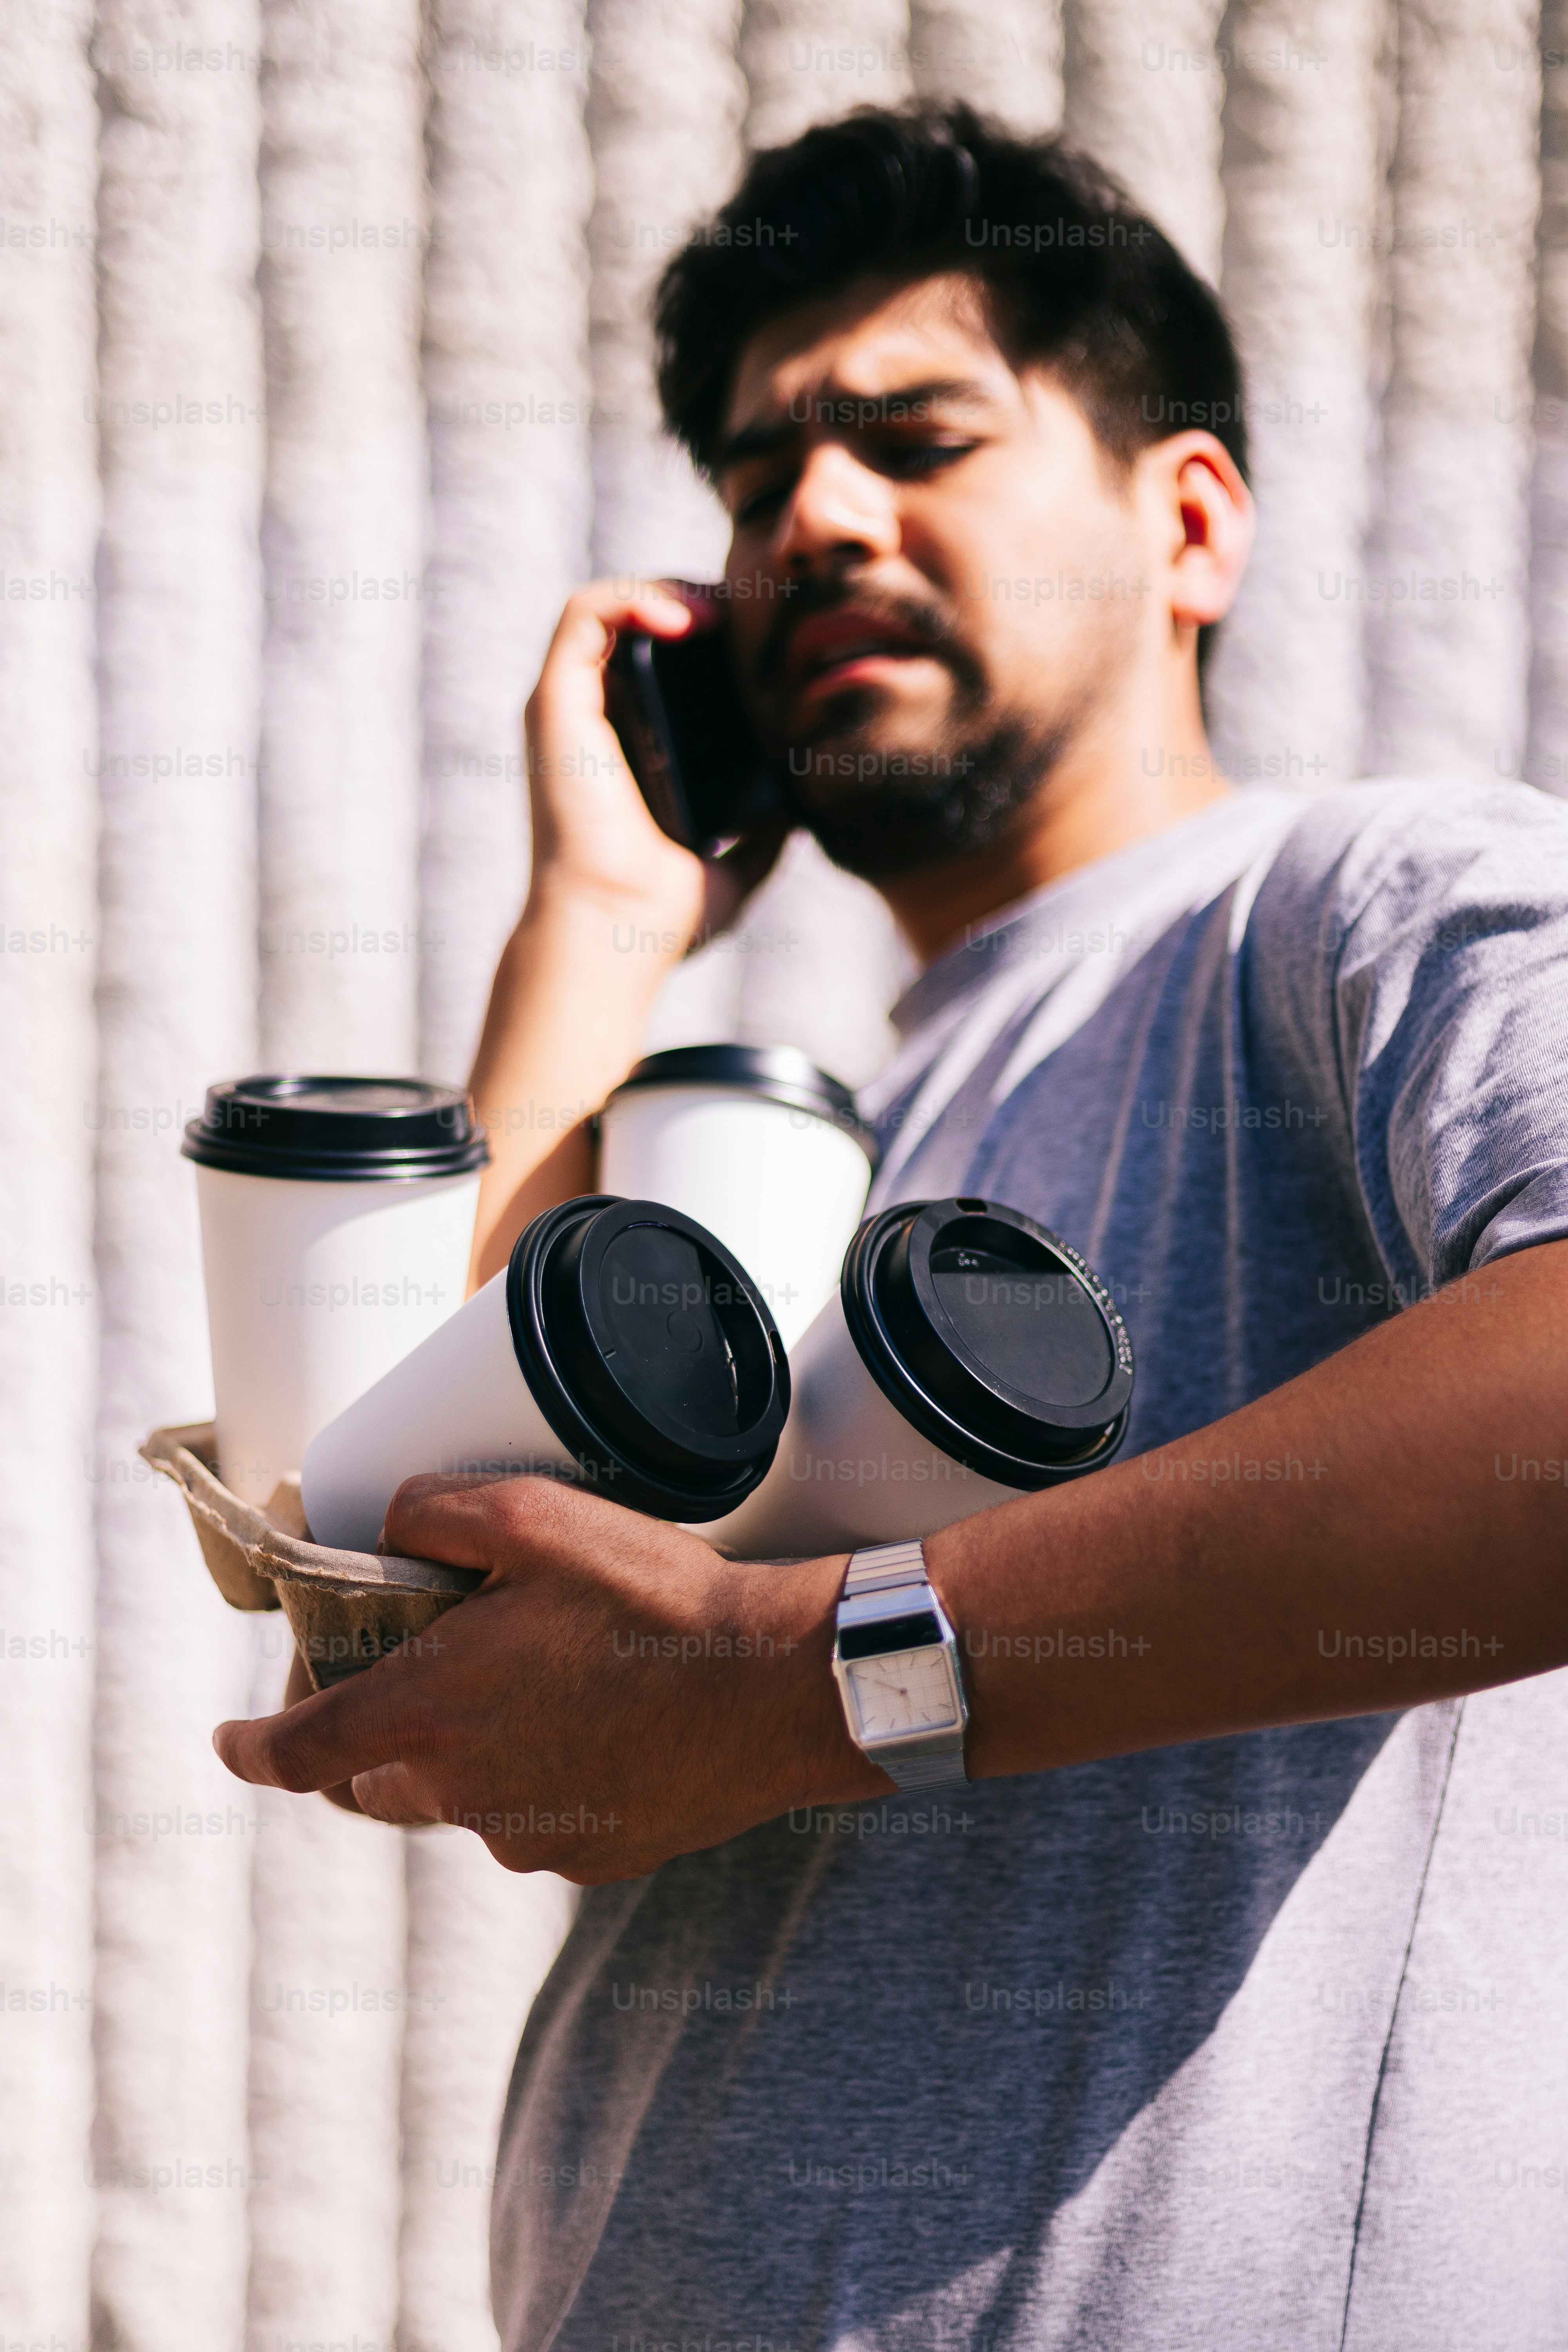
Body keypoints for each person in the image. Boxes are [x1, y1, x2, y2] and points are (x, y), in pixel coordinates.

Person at [216, 106, 1568, 2350]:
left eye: (913, 438)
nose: (812, 520)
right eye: (754, 488)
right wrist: (605, 915)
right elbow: (402, 1566)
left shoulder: (1366, 901)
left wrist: (799, 1682)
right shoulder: (792, 1146)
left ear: (1188, 523)